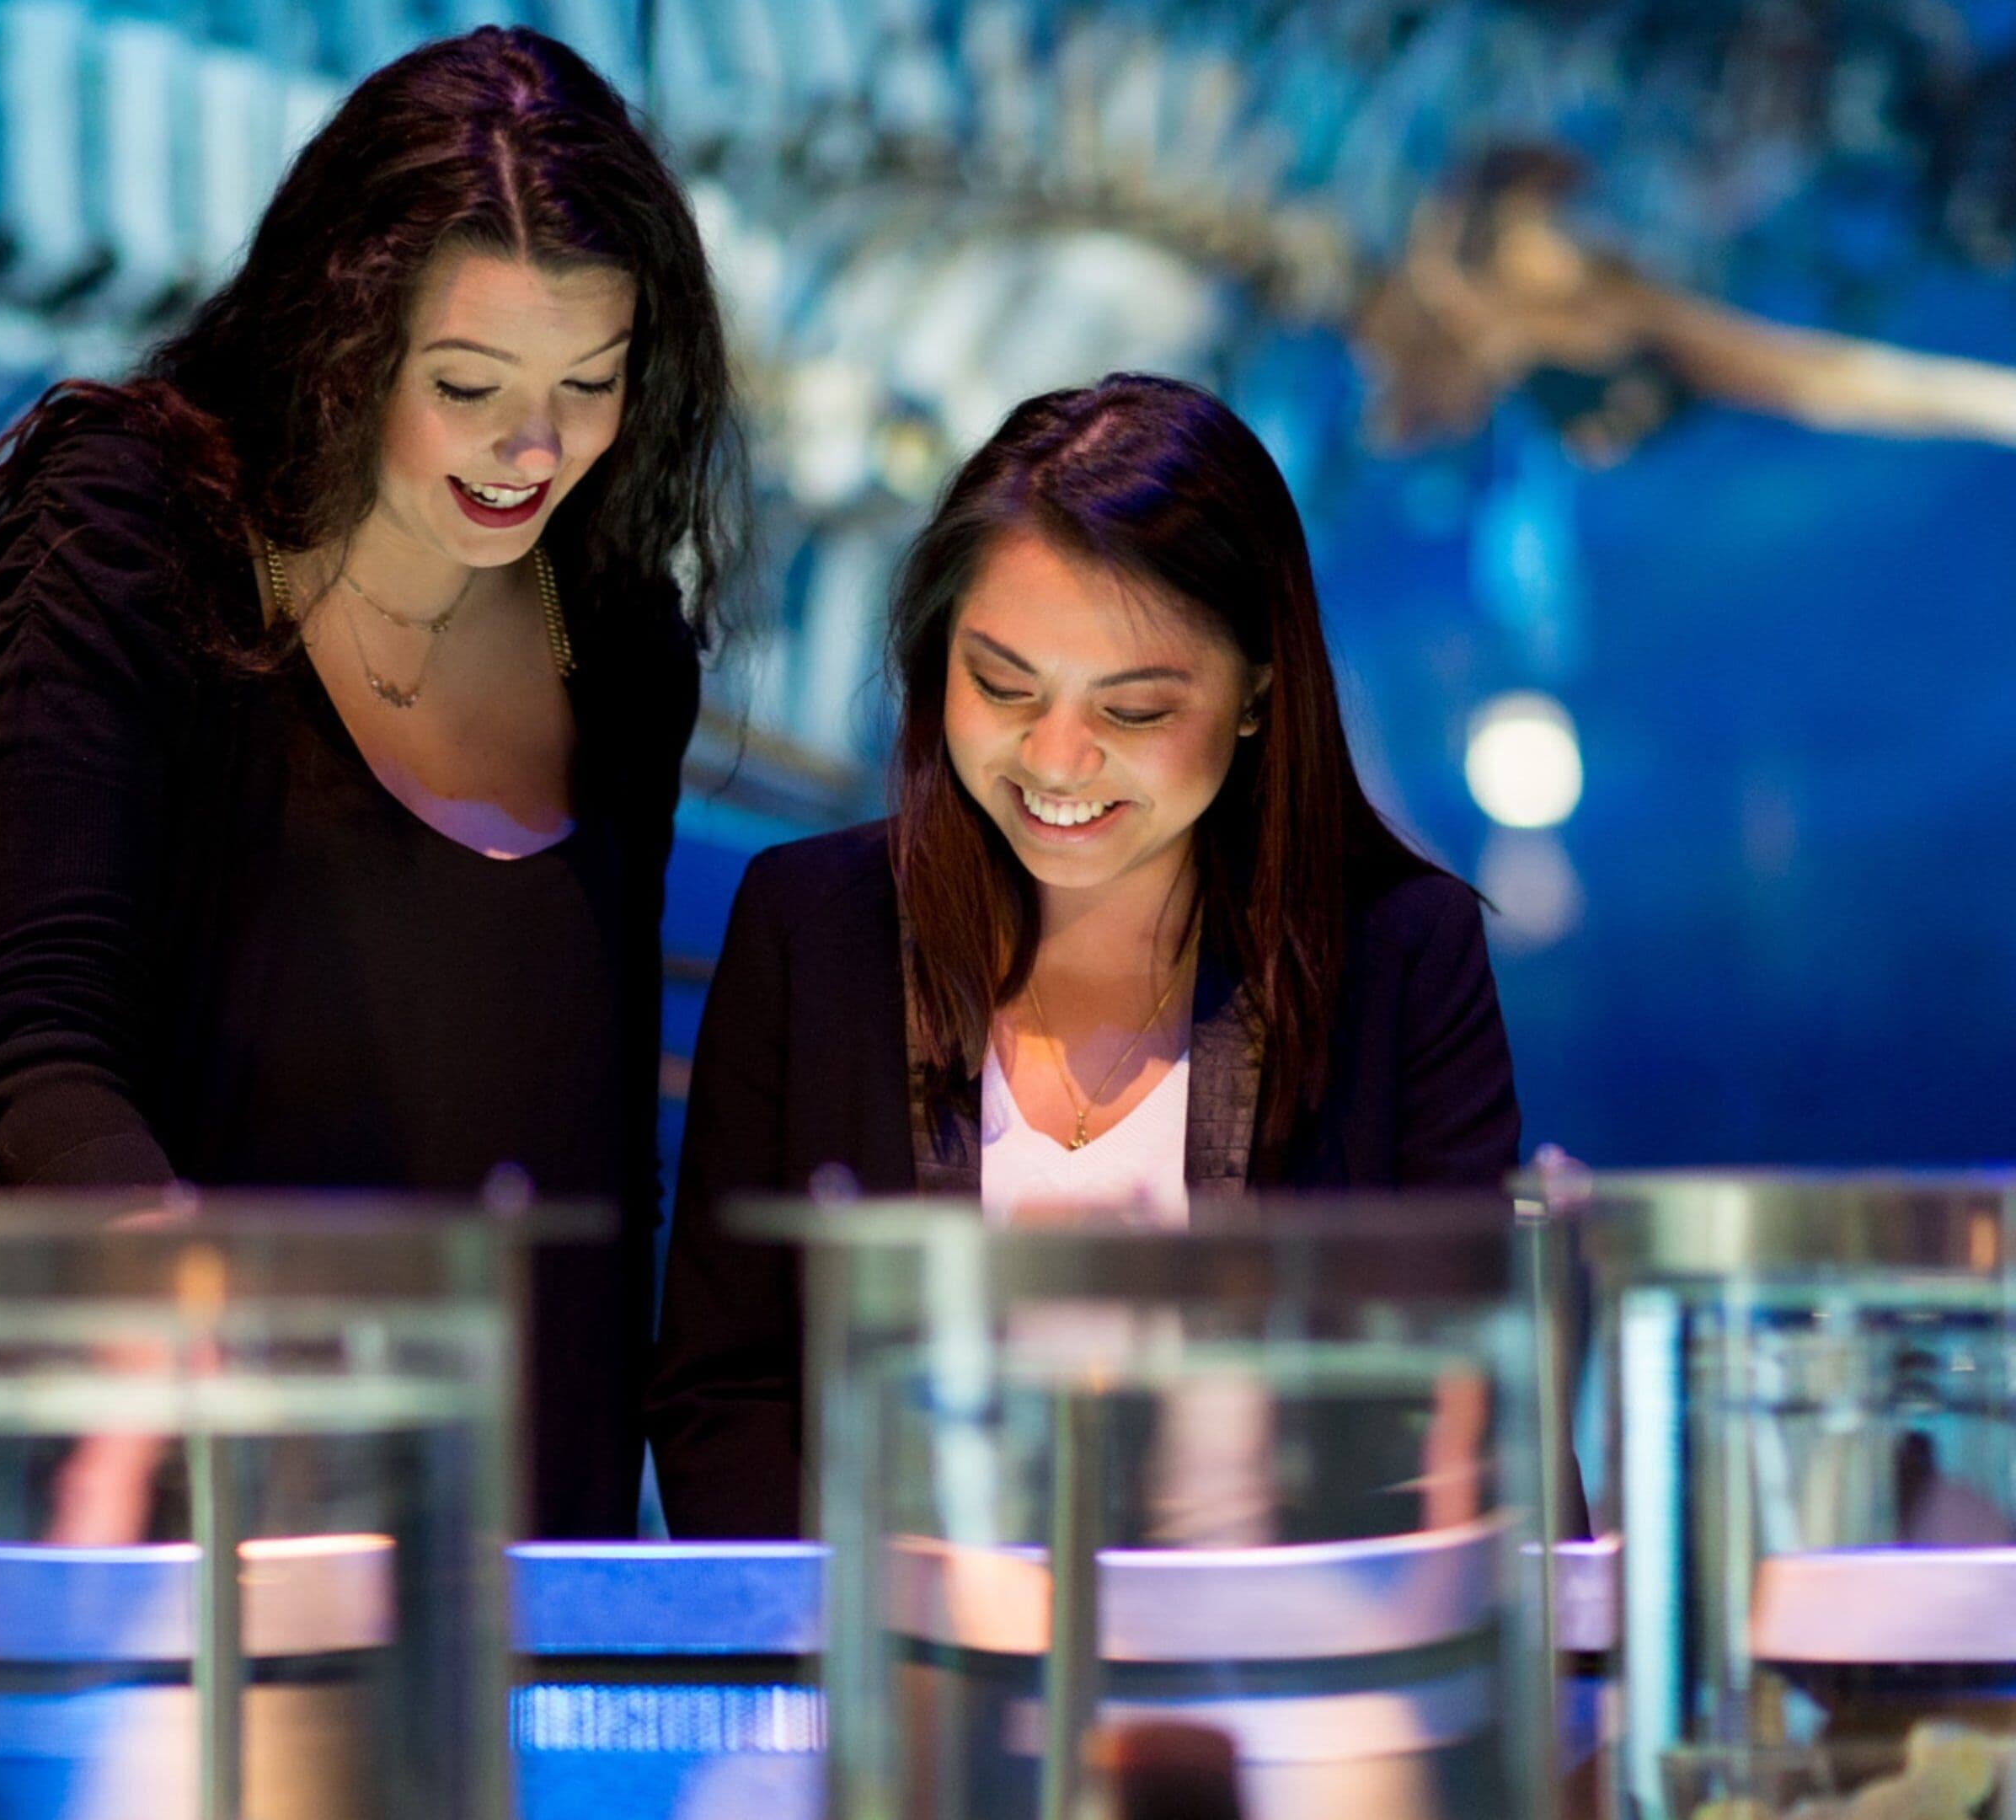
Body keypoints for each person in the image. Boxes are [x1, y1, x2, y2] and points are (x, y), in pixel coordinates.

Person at [0, 26, 743, 1540]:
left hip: (511, 1541)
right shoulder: (137, 532)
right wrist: (196, 1329)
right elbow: (43, 1055)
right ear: (343, 340)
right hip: (167, 1499)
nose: (533, 444)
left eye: (590, 381)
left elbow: (599, 1162)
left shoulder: (618, 638)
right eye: (467, 382)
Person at [646, 372, 1521, 1539]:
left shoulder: (1399, 957)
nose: (1056, 762)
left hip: (1280, 1680)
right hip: (900, 1680)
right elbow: (729, 1390)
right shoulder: (812, 930)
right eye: (1002, 686)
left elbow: (1473, 1407)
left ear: (1260, 687)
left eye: (1134, 712)